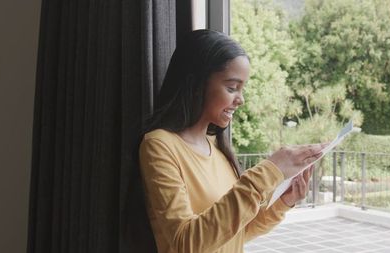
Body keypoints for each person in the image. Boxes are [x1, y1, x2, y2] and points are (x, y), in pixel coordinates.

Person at [139, 29, 325, 253]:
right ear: (197, 83)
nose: (241, 100)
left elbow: (235, 233)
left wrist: (284, 202)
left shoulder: (218, 150)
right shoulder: (159, 146)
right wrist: (269, 171)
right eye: (231, 88)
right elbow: (185, 244)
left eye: (241, 89)